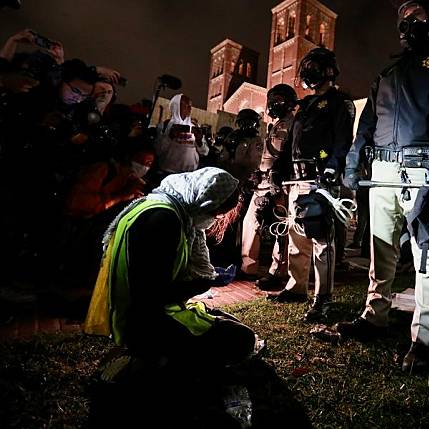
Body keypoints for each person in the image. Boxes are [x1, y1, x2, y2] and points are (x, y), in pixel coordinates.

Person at [336, 0, 429, 374]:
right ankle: (374, 316)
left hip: (423, 173)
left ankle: (425, 337)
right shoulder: (388, 71)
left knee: (426, 256)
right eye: (407, 16)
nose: (413, 22)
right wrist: (353, 160)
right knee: (379, 253)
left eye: (422, 16)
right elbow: (367, 122)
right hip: (381, 172)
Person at [84, 167, 256, 368]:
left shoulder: (157, 204)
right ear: (203, 200)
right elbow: (151, 296)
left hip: (137, 316)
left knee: (223, 318)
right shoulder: (166, 220)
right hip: (143, 326)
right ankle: (161, 359)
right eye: (215, 213)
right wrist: (201, 284)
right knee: (243, 338)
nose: (213, 220)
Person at [268, 47, 355, 322]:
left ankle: (323, 298)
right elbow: (291, 145)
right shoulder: (303, 106)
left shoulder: (340, 102)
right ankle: (296, 288)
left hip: (320, 180)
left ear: (328, 69)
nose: (308, 71)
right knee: (295, 238)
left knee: (321, 240)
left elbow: (343, 140)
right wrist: (278, 171)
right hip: (296, 178)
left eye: (313, 66)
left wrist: (332, 167)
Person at [240, 84, 297, 287]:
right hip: (262, 181)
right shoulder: (275, 124)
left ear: (289, 103)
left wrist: (279, 179)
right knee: (251, 223)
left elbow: (288, 154)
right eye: (271, 100)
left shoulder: (294, 124)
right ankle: (248, 268)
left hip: (280, 184)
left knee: (279, 228)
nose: (273, 105)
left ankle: (278, 271)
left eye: (278, 100)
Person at [154, 93, 209, 176]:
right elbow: (158, 150)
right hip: (168, 173)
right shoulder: (165, 126)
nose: (190, 108)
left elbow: (205, 152)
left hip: (189, 175)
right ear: (176, 106)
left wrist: (199, 140)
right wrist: (170, 136)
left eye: (190, 106)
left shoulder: (195, 127)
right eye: (186, 106)